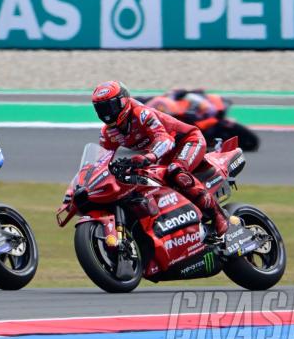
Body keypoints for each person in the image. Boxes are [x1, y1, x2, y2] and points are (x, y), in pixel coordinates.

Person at [85, 81, 230, 238]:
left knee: (176, 172)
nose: (107, 113)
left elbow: (165, 139)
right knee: (151, 183)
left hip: (188, 141)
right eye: (101, 108)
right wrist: (86, 181)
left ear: (123, 101)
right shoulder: (108, 132)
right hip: (164, 154)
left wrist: (149, 157)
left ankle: (219, 218)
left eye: (110, 106)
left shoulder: (141, 113)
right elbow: (101, 160)